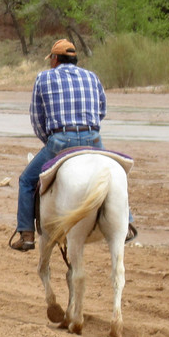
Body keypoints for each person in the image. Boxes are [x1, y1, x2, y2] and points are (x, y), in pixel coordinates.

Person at [9, 38, 135, 251]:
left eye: (52, 59)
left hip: (60, 140)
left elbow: (37, 119)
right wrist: (88, 131)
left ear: (55, 59)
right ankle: (128, 222)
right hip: (93, 139)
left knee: (26, 181)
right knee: (114, 174)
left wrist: (49, 142)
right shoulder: (92, 77)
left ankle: (27, 234)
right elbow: (102, 110)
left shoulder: (44, 78)